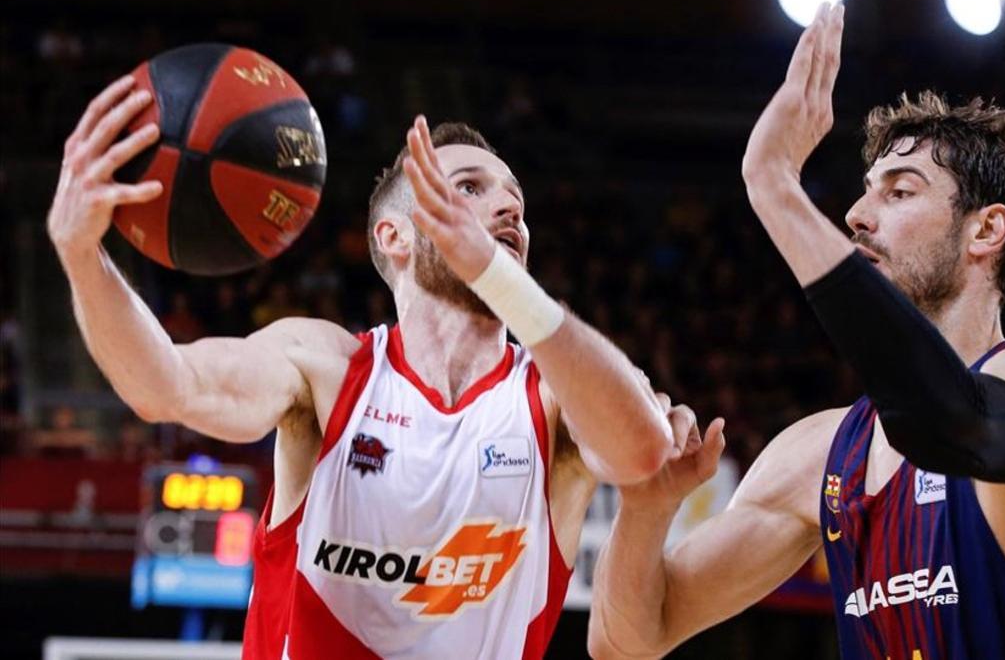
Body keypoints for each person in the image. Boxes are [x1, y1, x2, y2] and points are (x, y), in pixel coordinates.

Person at [588, 3, 1005, 660]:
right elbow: (626, 641)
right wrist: (644, 503)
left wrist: (776, 189)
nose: (858, 214)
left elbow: (949, 423)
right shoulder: (819, 456)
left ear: (986, 229)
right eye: (866, 190)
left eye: (900, 192)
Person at [47, 76, 693, 659]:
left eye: (515, 198)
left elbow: (643, 452)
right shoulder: (326, 369)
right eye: (469, 188)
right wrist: (82, 255)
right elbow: (166, 386)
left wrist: (504, 284)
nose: (509, 208)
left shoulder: (554, 395)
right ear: (395, 237)